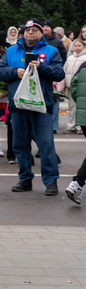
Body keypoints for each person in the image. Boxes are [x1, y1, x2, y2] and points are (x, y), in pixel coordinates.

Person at [0, 18, 66, 196]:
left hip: (42, 106)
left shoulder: (51, 51)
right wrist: (15, 72)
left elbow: (59, 74)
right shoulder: (12, 51)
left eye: (35, 30)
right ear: (23, 33)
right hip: (19, 105)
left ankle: (51, 182)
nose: (30, 33)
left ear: (42, 33)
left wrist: (41, 67)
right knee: (20, 145)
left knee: (46, 145)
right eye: (28, 30)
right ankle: (25, 179)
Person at [65, 57, 86, 203]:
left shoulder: (84, 64)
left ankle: (77, 183)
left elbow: (73, 84)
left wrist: (82, 102)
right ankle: (77, 182)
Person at [63, 39, 86, 133]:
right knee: (72, 108)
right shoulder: (70, 58)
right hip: (71, 87)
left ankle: (79, 127)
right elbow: (65, 70)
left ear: (84, 47)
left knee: (80, 109)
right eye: (75, 46)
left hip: (80, 88)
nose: (77, 48)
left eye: (79, 46)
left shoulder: (84, 58)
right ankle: (71, 125)